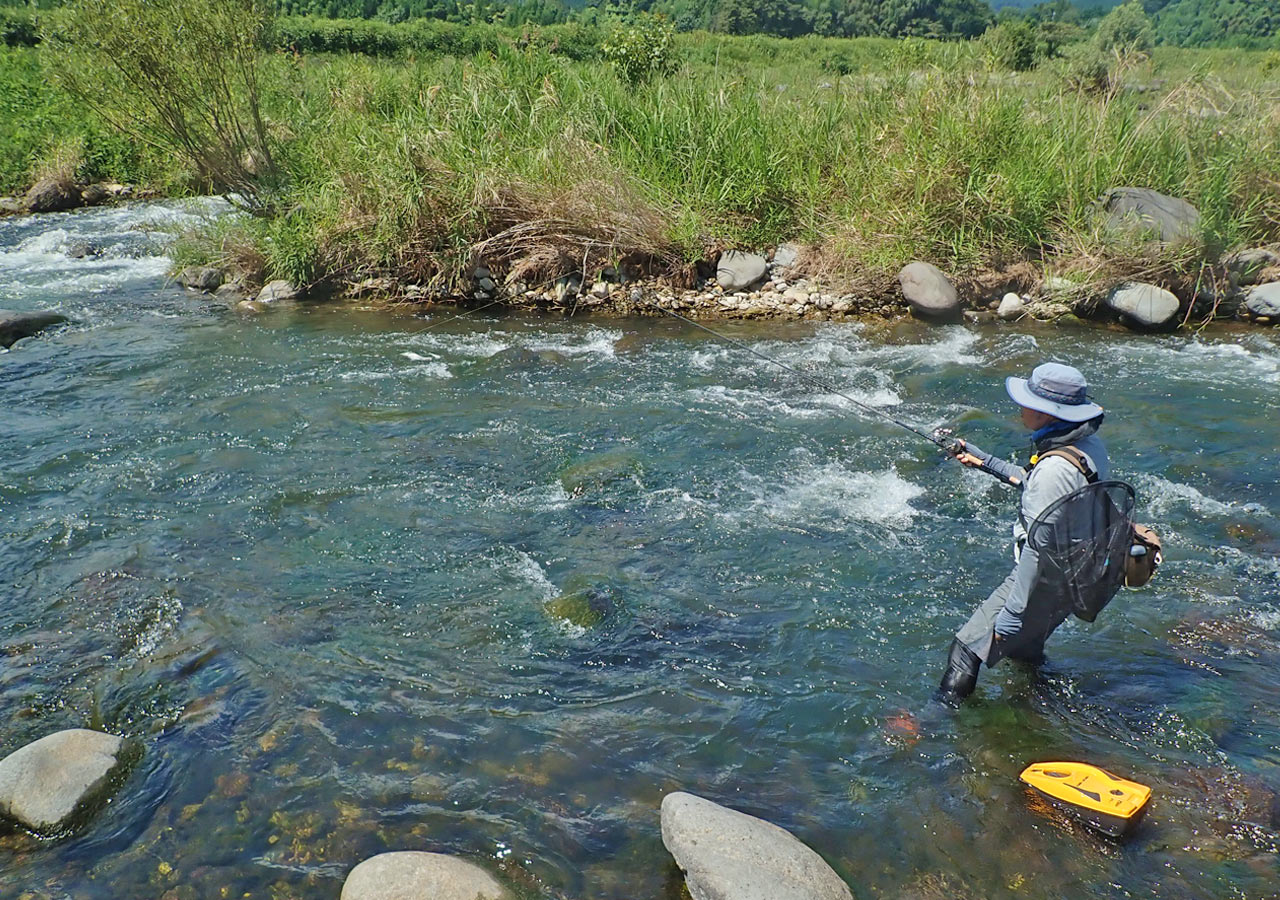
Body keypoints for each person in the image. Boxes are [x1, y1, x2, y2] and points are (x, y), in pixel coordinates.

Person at [937, 362, 1109, 704]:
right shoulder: (1089, 446)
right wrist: (986, 461)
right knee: (1024, 652)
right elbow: (1042, 487)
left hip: (1044, 577)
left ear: (1047, 413)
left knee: (966, 650)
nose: (1020, 408)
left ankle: (934, 722)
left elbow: (1037, 550)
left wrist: (1013, 613)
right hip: (1076, 572)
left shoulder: (1053, 469)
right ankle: (1037, 710)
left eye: (1027, 402)